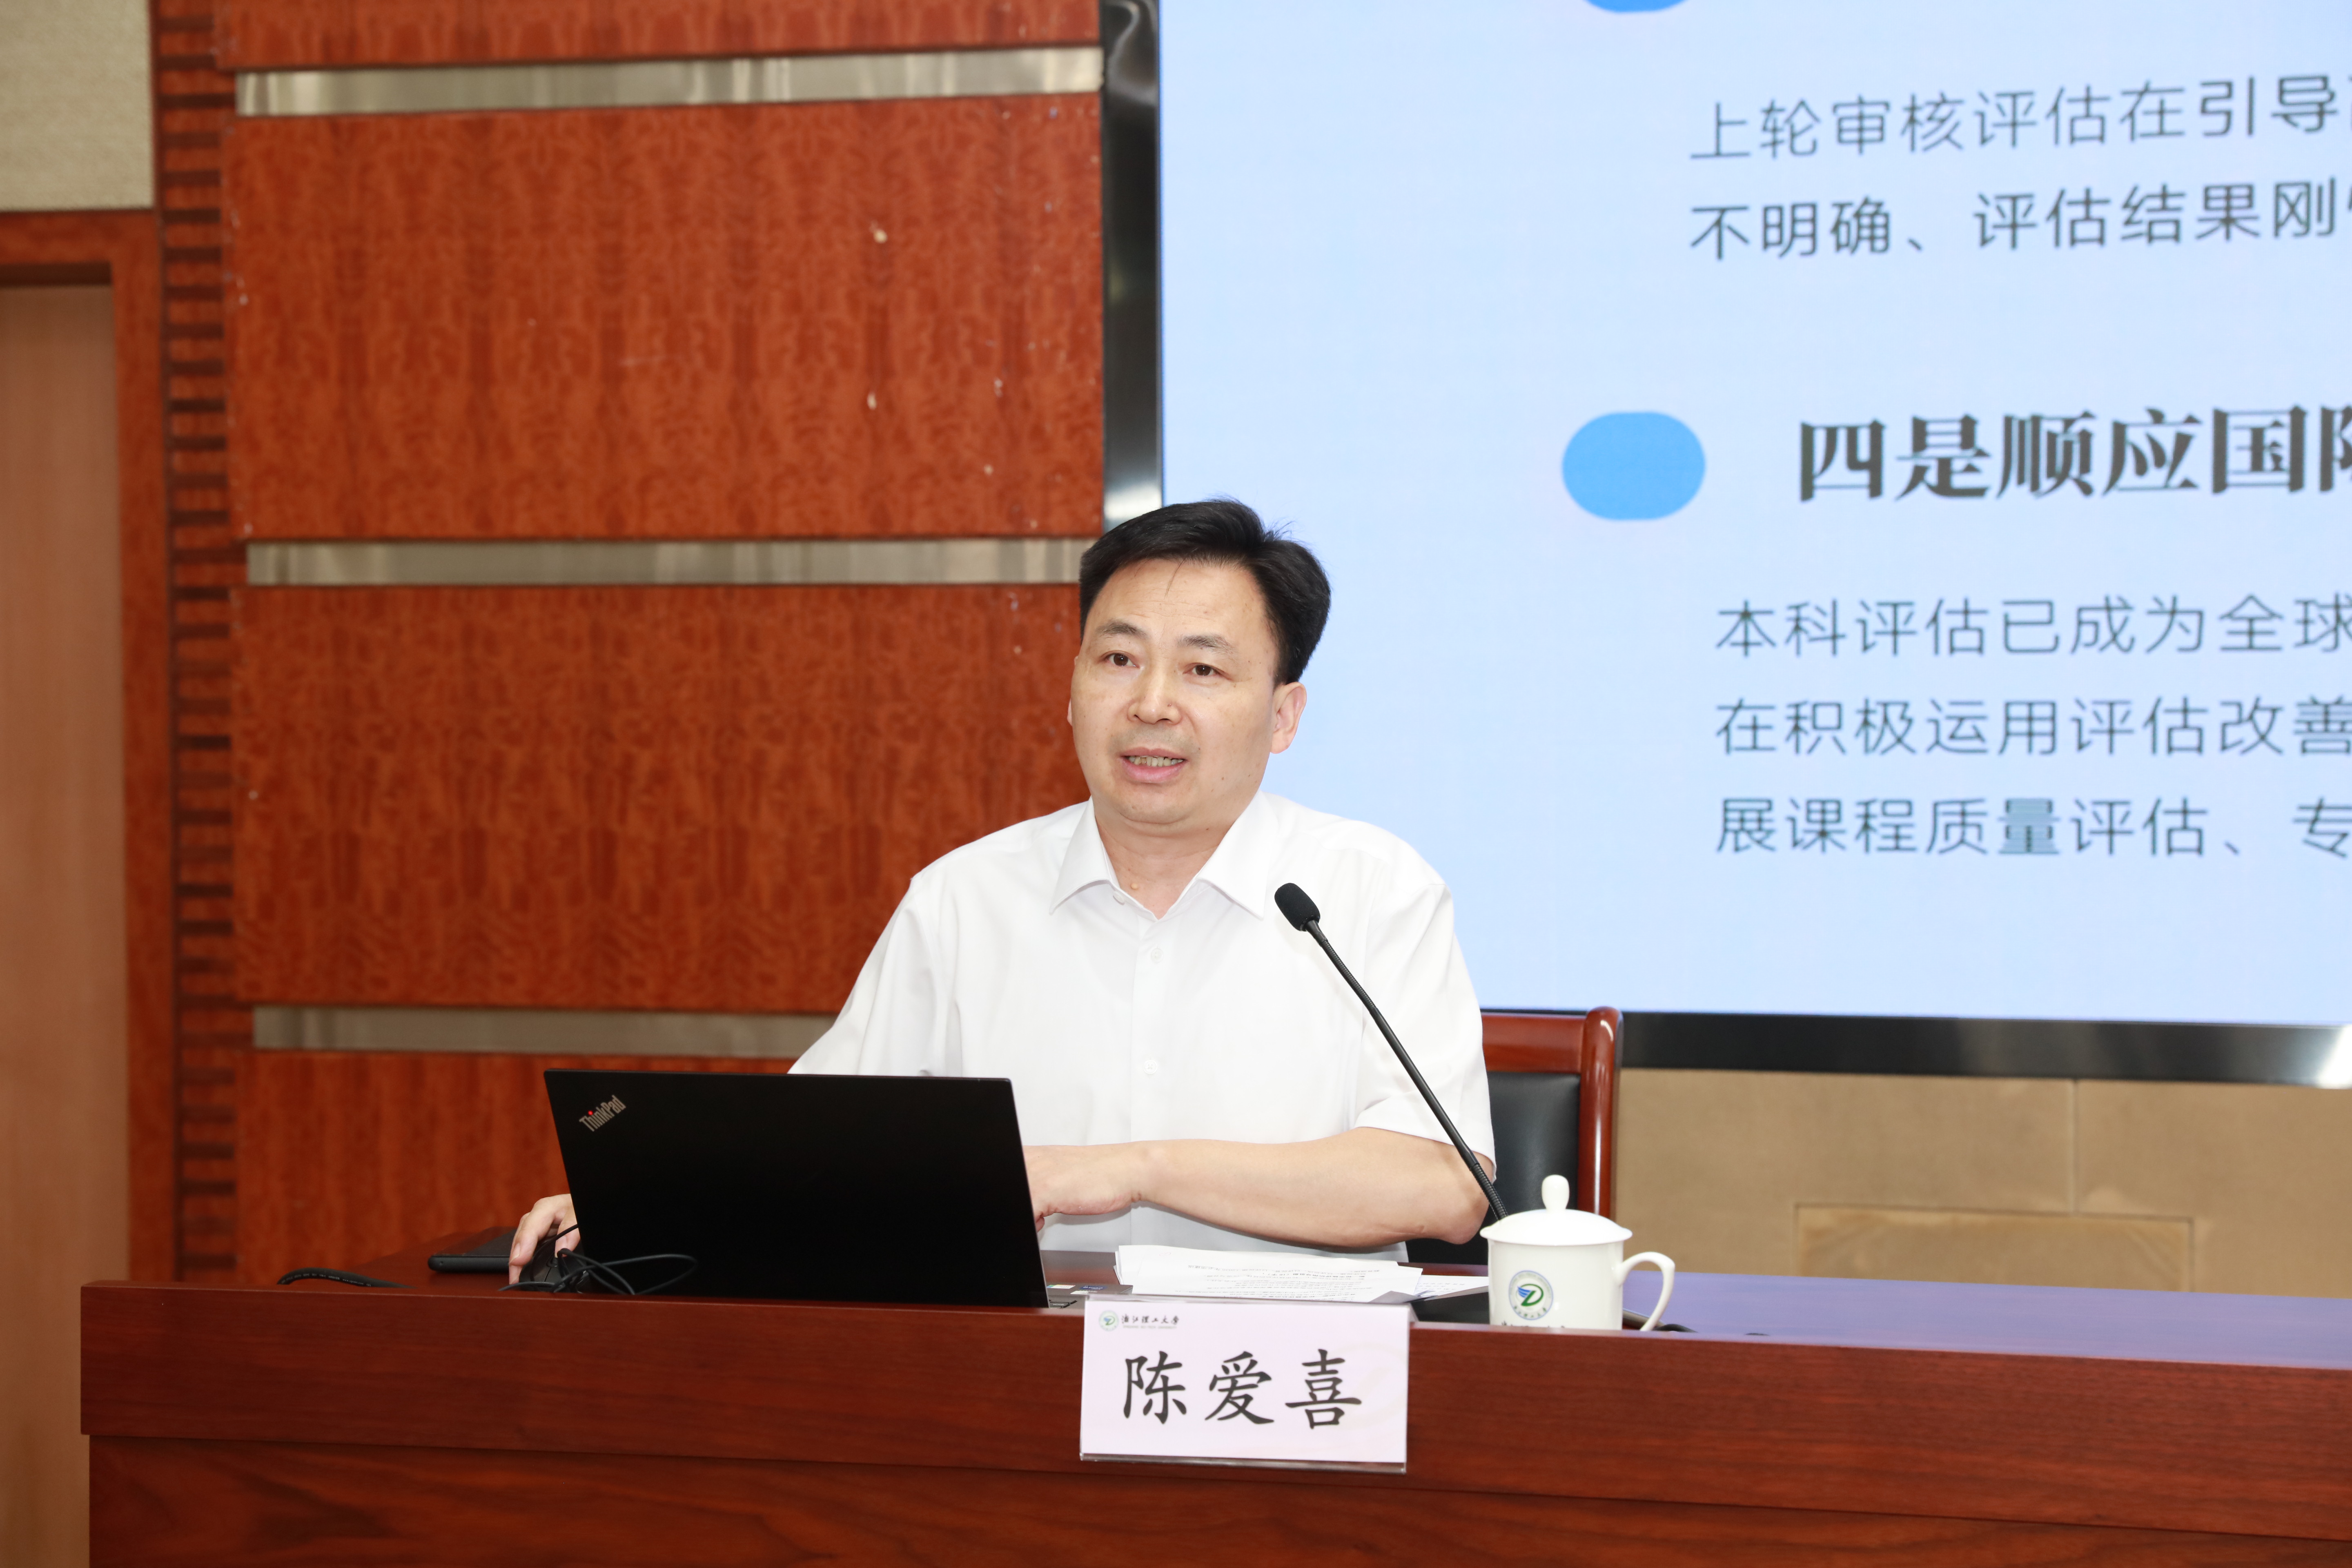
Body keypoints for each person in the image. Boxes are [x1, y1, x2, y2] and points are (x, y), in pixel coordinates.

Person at [509, 500, 1492, 1279]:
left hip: (1292, 1390)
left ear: (1283, 716)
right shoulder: (965, 900)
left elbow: (1444, 1186)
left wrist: (1123, 1169)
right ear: (1071, 688)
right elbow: (818, 1149)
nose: (1152, 703)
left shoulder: (1370, 892)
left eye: (1203, 668)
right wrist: (645, 1200)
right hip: (1018, 1378)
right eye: (1118, 659)